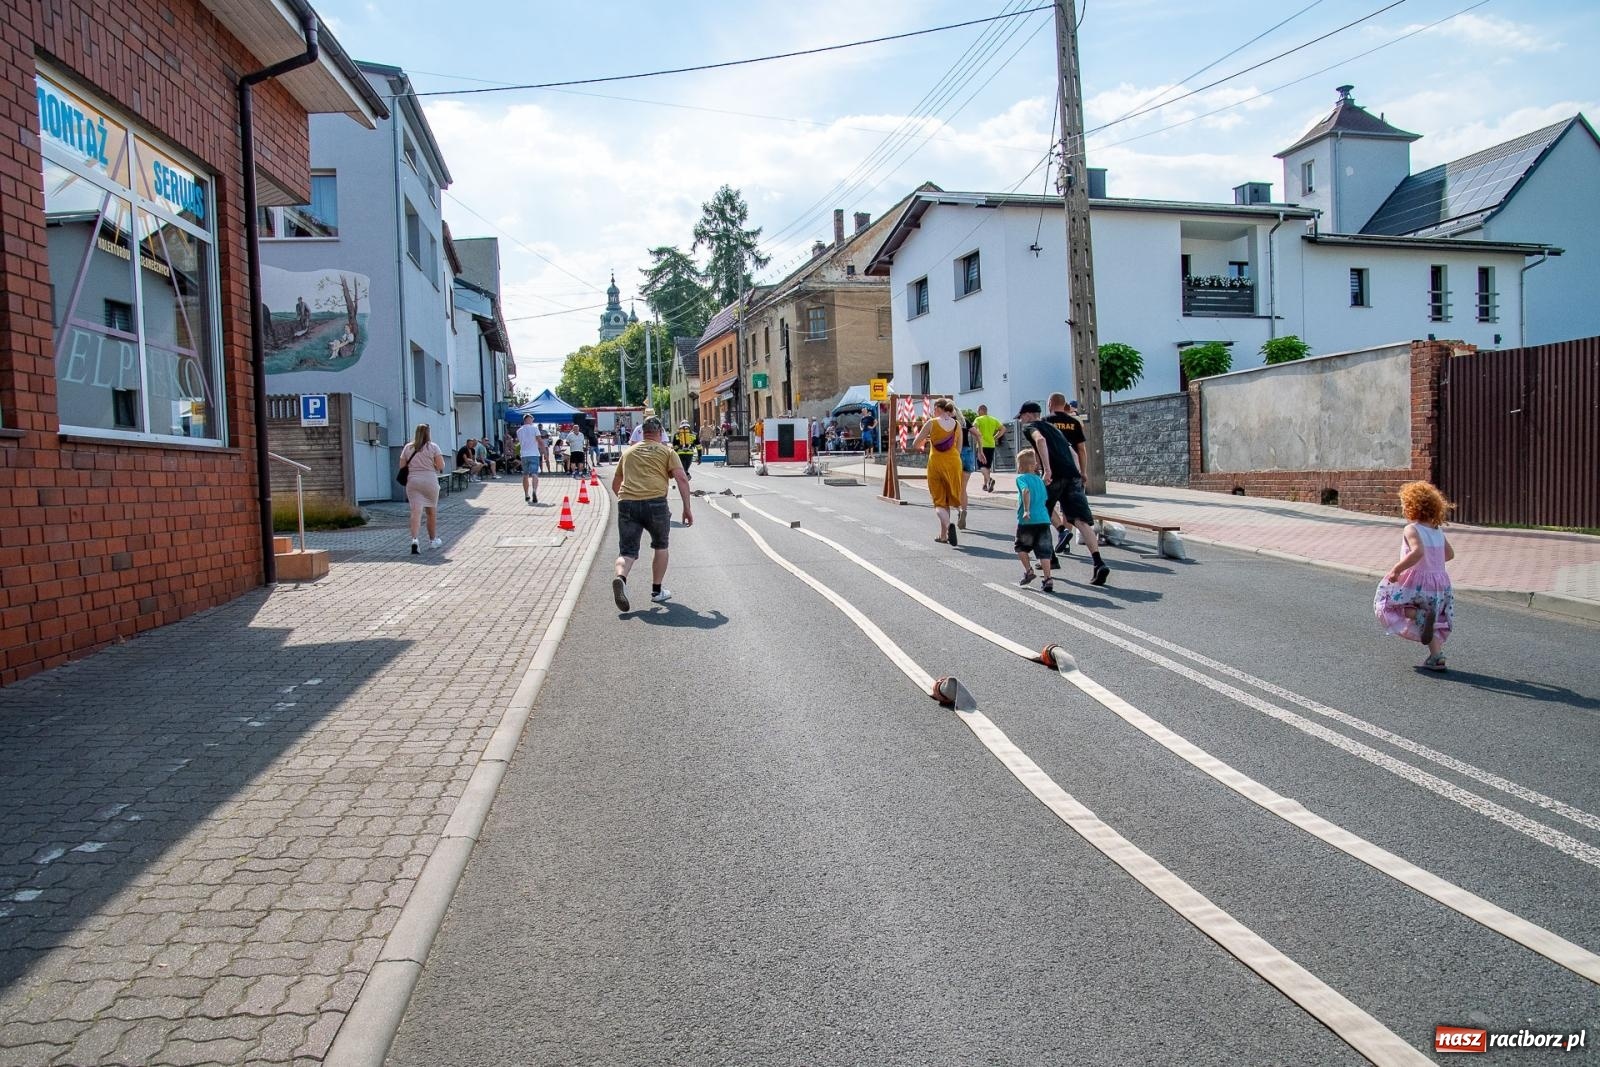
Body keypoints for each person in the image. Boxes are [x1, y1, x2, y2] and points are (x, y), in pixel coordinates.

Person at [1018, 401, 1109, 586]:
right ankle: (1098, 563)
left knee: (1041, 511)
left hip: (1055, 476)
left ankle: (1058, 539)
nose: (1020, 421)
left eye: (1021, 417)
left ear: (1028, 414)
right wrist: (1079, 472)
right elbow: (1073, 452)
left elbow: (1040, 441)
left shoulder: (1031, 427)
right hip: (1072, 475)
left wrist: (1047, 469)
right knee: (1081, 521)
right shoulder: (1054, 429)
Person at [611, 417, 693, 611]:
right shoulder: (667, 452)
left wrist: (627, 501)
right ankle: (657, 591)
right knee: (661, 546)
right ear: (660, 433)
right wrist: (687, 508)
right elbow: (681, 478)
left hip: (627, 502)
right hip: (656, 503)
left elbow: (616, 484)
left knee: (627, 552)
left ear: (642, 432)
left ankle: (620, 578)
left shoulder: (628, 453)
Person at [1375, 481, 1456, 671]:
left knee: (1388, 604)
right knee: (1431, 620)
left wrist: (1397, 570)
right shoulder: (1437, 529)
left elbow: (1418, 552)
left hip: (1416, 581)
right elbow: (1450, 554)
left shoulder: (1412, 529)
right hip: (1438, 582)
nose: (1403, 508)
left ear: (1413, 506)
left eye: (1404, 504)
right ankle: (1437, 656)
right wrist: (1433, 562)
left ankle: (1419, 614)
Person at [911, 398, 965, 547]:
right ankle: (943, 535)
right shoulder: (957, 425)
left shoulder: (932, 423)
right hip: (954, 464)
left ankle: (948, 526)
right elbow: (959, 449)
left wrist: (926, 441)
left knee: (939, 502)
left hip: (936, 464)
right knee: (948, 498)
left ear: (938, 409)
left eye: (934, 409)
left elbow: (915, 444)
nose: (933, 411)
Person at [1044, 393, 1090, 554]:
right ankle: (1066, 540)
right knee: (1068, 509)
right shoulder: (1074, 423)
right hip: (1073, 471)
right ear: (1064, 404)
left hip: (1053, 470)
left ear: (1050, 403)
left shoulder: (1046, 421)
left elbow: (1041, 445)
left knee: (1044, 505)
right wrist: (1083, 472)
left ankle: (1061, 531)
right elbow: (1082, 450)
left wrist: (1039, 467)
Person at [1012, 451, 1055, 592]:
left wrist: (1026, 510)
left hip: (1027, 521)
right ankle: (1048, 579)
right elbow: (1044, 499)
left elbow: (1025, 491)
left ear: (1021, 466)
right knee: (1044, 551)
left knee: (1020, 547)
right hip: (1043, 520)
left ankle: (1029, 570)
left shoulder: (1021, 478)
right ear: (1034, 465)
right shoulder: (1040, 481)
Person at [399, 423, 445, 554]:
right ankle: (433, 540)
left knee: (415, 512)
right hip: (430, 481)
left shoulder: (408, 447)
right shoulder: (433, 447)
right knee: (431, 512)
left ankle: (414, 540)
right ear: (428, 433)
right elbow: (441, 466)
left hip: (413, 481)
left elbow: (402, 466)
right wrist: (432, 465)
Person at [972, 404, 1005, 493]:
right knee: (987, 466)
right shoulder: (994, 419)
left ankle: (990, 480)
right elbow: (1003, 429)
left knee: (981, 466)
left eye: (978, 411)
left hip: (981, 445)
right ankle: (985, 485)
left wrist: (976, 438)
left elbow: (974, 428)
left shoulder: (978, 419)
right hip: (991, 445)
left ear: (980, 410)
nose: (977, 413)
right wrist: (995, 437)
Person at [515, 414, 543, 505]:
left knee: (525, 475)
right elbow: (539, 440)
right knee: (534, 474)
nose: (532, 421)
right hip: (534, 454)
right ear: (529, 419)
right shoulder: (534, 428)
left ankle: (526, 494)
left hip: (524, 455)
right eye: (532, 419)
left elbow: (520, 442)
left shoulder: (519, 430)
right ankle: (534, 490)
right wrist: (545, 452)